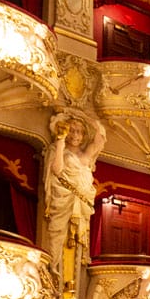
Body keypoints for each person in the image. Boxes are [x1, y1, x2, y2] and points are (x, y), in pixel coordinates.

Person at [43, 108, 106, 262]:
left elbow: (100, 135)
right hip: (64, 198)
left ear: (84, 135)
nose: (75, 135)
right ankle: (53, 267)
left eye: (79, 132)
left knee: (78, 238)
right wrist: (60, 141)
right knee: (57, 234)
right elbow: (57, 170)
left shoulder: (87, 154)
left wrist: (82, 114)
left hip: (82, 198)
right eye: (72, 131)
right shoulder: (59, 150)